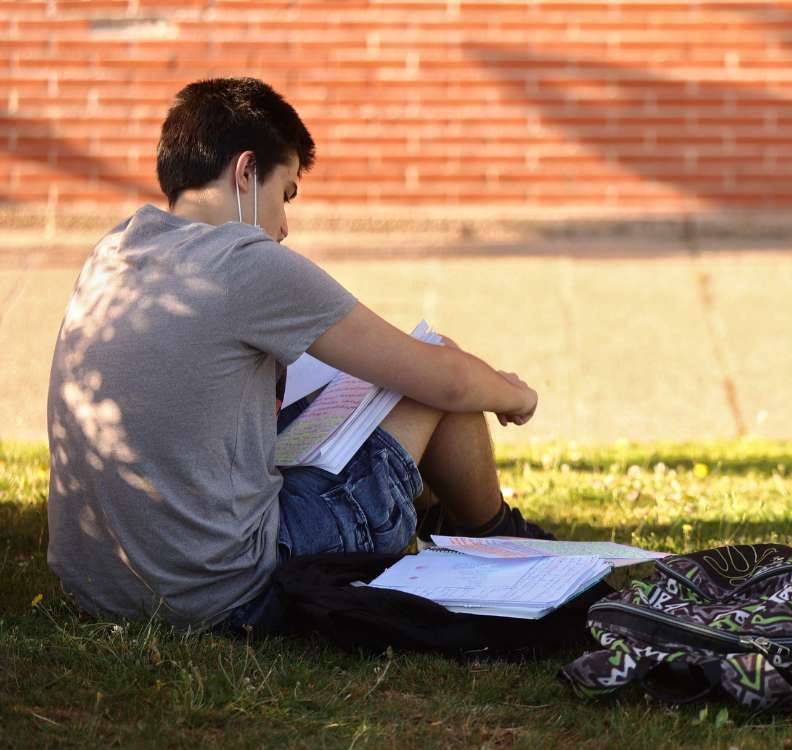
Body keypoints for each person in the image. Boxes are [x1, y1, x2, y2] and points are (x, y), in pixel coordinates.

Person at [45, 76, 552, 635]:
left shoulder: (113, 251)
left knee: (375, 387)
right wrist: (516, 393)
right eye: (284, 194)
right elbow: (446, 381)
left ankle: (456, 531)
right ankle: (507, 548)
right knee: (439, 368)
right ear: (244, 172)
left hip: (99, 588)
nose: (284, 227)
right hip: (228, 591)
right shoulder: (245, 262)